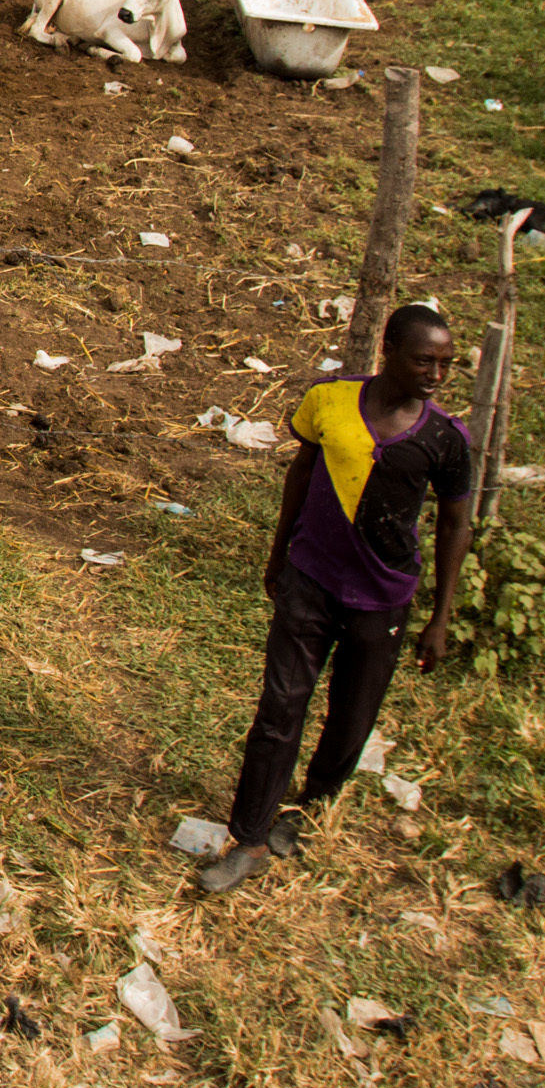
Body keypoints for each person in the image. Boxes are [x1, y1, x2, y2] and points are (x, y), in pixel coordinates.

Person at [197, 302, 474, 895]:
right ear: (389, 351)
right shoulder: (329, 400)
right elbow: (300, 474)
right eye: (424, 360)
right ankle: (248, 838)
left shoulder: (445, 439)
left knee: (352, 717)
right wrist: (278, 555)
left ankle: (305, 811)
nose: (436, 375)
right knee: (279, 710)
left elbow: (456, 525)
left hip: (382, 598)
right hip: (311, 580)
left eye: (446, 364)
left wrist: (440, 618)